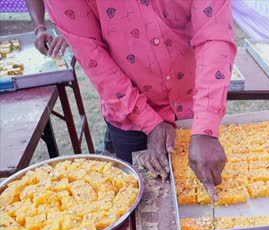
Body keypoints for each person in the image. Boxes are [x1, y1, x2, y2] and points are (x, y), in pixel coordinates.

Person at [44, 0, 237, 202]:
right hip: (130, 114)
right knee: (149, 208)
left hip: (196, 101)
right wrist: (148, 121)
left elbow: (214, 34)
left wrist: (205, 127)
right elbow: (92, 56)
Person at [26, 0, 116, 156]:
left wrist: (77, 33)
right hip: (89, 36)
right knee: (113, 92)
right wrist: (39, 27)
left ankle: (114, 142)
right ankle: (112, 141)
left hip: (114, 28)